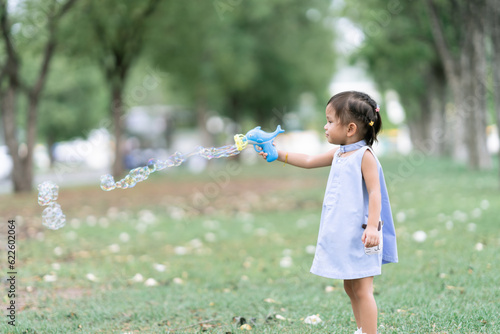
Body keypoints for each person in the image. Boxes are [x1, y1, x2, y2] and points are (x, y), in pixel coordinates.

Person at [259, 91, 398, 334]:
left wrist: (374, 227)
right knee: (350, 287)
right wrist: (278, 154)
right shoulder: (340, 153)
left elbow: (376, 193)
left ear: (351, 128)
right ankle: (361, 329)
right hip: (346, 233)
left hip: (364, 233)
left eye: (330, 121)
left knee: (363, 289)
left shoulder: (364, 156)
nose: (325, 126)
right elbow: (310, 160)